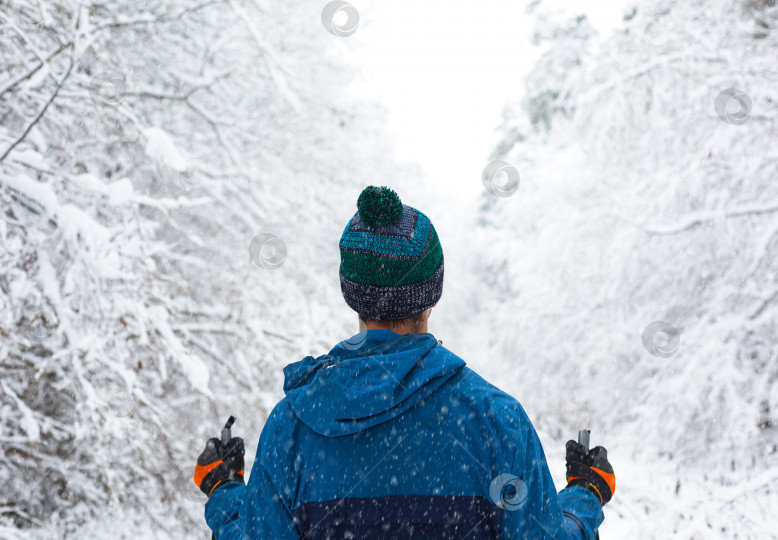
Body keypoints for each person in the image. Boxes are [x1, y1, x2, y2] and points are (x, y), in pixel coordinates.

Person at [194, 186, 615, 539]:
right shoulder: (497, 421)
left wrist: (224, 492)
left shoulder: (292, 428)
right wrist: (585, 494)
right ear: (432, 295)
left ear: (350, 292)